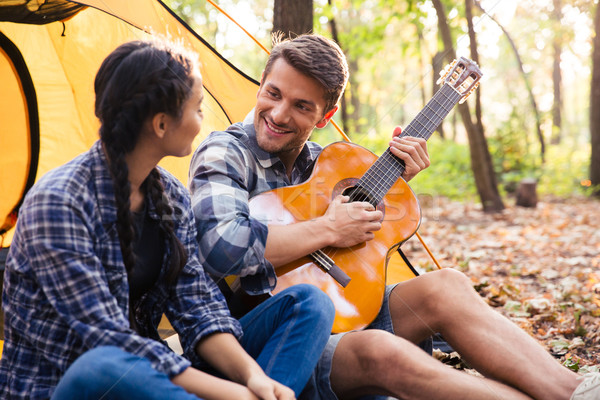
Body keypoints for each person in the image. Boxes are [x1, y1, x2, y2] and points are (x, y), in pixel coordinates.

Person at [188, 33, 600, 400]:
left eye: (301, 106)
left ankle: (574, 391)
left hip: (342, 309)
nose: (279, 114)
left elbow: (361, 245)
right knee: (382, 352)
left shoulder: (325, 162)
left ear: (325, 116)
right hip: (262, 336)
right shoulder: (226, 152)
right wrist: (328, 226)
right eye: (273, 94)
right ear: (260, 85)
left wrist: (393, 183)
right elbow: (222, 247)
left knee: (447, 286)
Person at [0, 38, 335, 400]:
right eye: (198, 108)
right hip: (72, 386)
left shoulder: (170, 197)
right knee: (102, 365)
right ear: (161, 124)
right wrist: (231, 394)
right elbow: (111, 340)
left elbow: (198, 306)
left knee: (311, 303)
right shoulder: (60, 202)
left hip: (152, 373)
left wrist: (254, 377)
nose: (203, 121)